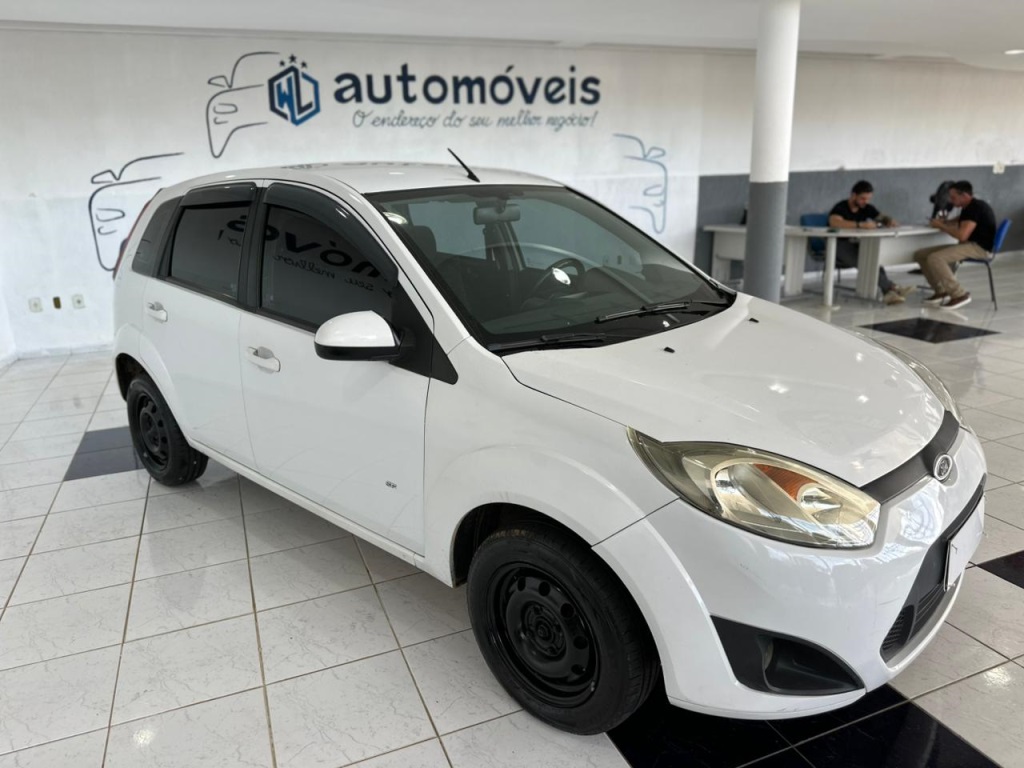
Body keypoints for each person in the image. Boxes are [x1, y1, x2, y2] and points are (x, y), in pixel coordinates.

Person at [914, 181, 997, 310]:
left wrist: (941, 226)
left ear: (964, 195)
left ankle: (959, 294)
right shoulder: (969, 206)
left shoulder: (975, 207)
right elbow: (961, 218)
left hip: (979, 248)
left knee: (935, 258)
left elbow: (962, 236)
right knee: (921, 255)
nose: (951, 201)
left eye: (953, 197)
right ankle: (941, 291)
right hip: (971, 245)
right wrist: (946, 222)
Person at [828, 181, 911, 305]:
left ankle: (889, 292)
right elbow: (835, 222)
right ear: (853, 195)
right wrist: (860, 225)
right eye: (862, 198)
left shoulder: (866, 207)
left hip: (856, 244)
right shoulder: (841, 207)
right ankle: (892, 288)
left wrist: (888, 221)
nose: (865, 201)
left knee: (874, 258)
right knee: (866, 262)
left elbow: (880, 216)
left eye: (868, 199)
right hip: (838, 245)